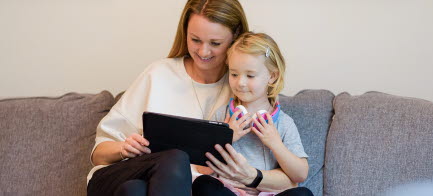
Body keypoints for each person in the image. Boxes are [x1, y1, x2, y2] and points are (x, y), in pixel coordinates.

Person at [86, 0, 250, 195]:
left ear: (235, 37)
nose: (203, 52)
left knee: (134, 191)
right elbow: (99, 155)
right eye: (195, 40)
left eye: (215, 43)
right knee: (175, 158)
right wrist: (123, 148)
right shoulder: (158, 74)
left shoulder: (242, 89)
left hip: (152, 188)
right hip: (114, 178)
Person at [192, 32, 313, 196]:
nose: (240, 82)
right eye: (234, 74)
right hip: (229, 191)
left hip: (268, 193)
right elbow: (202, 168)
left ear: (272, 76)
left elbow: (300, 174)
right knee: (203, 184)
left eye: (250, 75)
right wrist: (227, 137)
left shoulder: (284, 123)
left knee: (302, 193)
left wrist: (275, 143)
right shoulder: (222, 115)